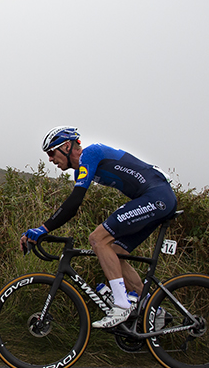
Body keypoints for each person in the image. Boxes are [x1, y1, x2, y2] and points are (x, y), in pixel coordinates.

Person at [21, 127, 177, 329]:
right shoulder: (81, 169)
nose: (50, 159)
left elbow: (74, 202)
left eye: (52, 152)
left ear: (67, 146)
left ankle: (121, 305)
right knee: (115, 252)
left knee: (97, 238)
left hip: (157, 196)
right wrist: (44, 228)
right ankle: (151, 310)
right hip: (154, 198)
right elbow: (73, 205)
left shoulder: (91, 153)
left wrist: (43, 228)